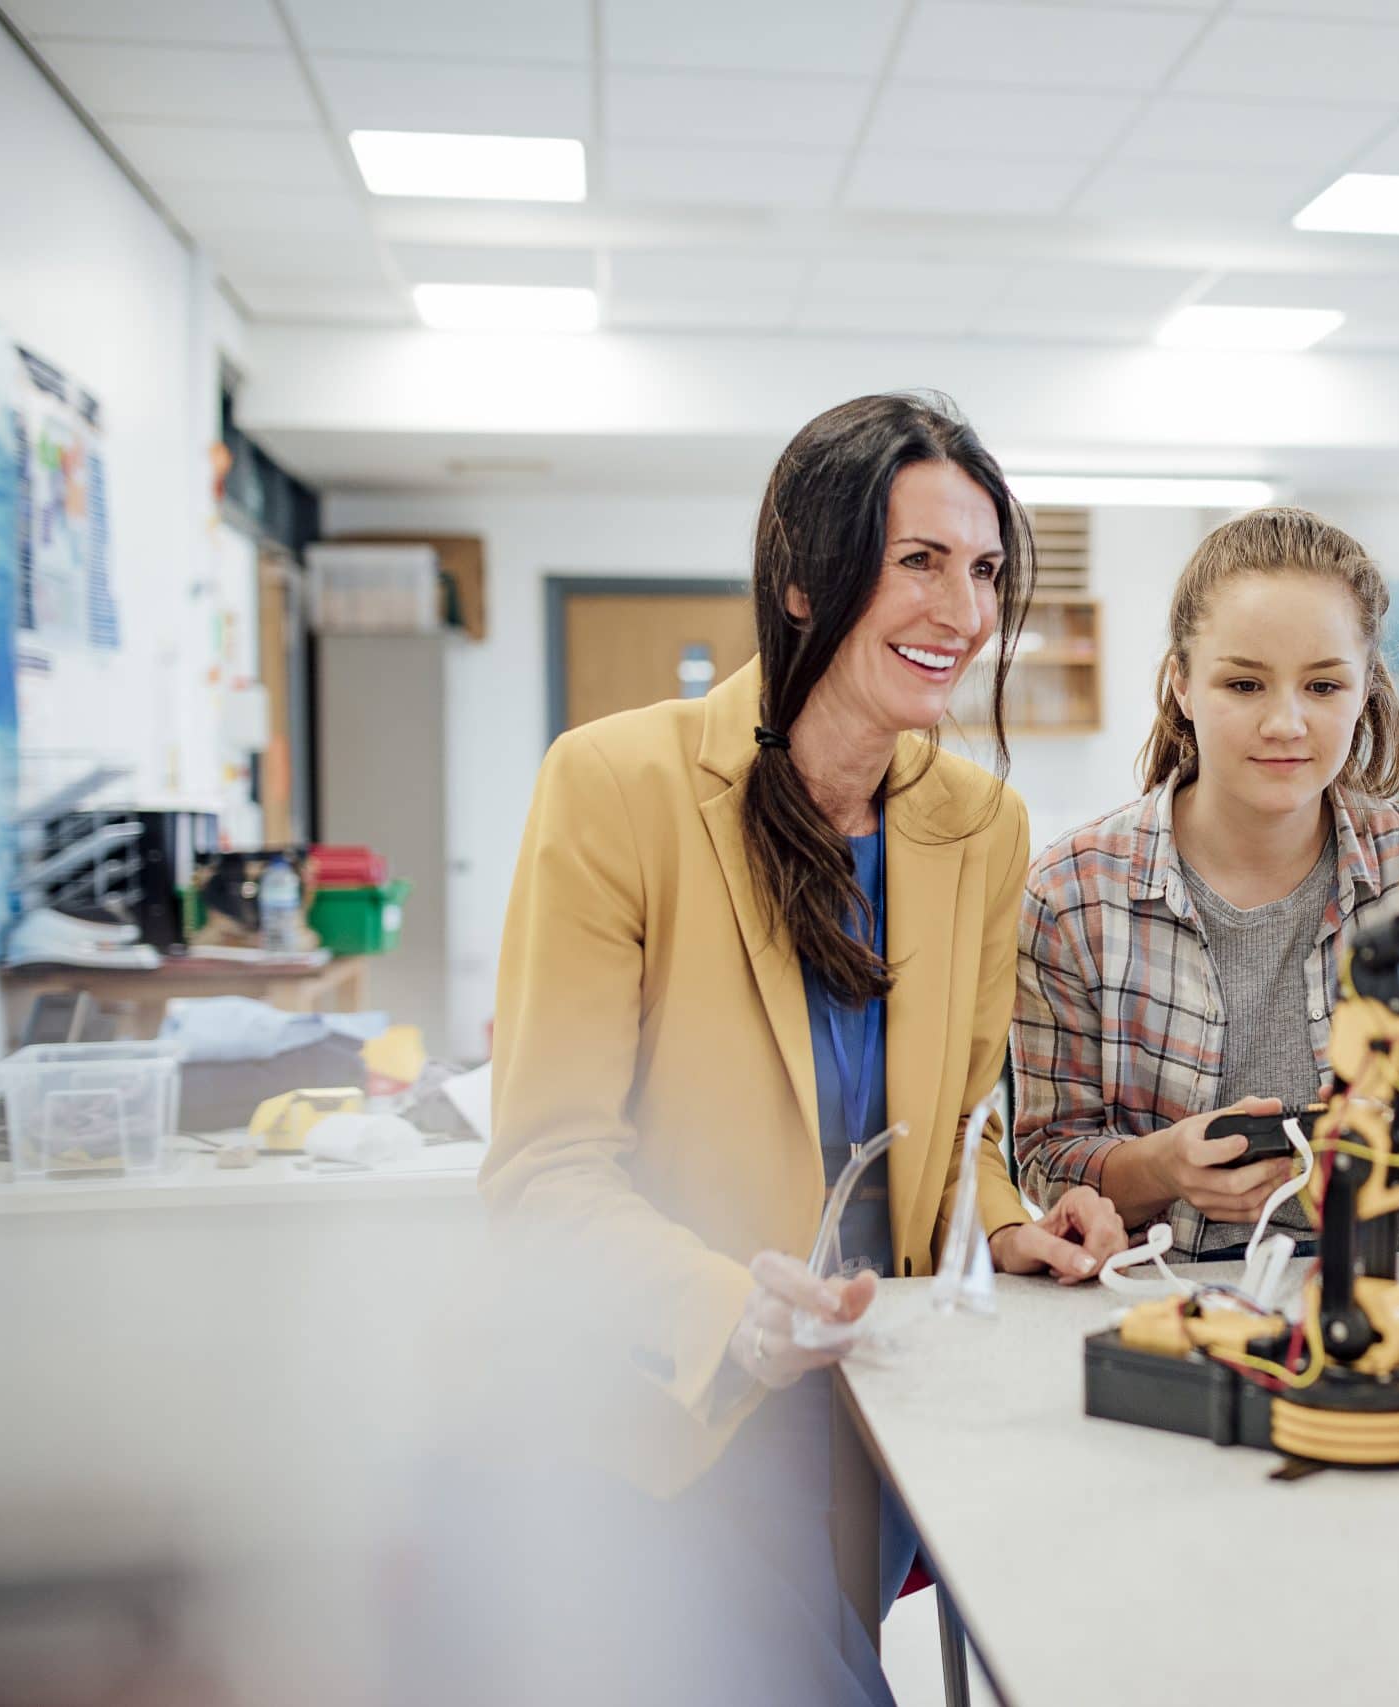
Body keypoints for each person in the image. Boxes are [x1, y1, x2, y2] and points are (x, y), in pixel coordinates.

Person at [478, 392, 1128, 1704]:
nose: (962, 609)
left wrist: (1006, 1220)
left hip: (880, 1401)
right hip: (678, 1408)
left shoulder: (979, 826)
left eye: (987, 568)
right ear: (799, 576)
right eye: (921, 562)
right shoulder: (618, 787)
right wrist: (731, 1311)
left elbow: (958, 1124)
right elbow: (543, 1173)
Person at [1013, 507, 1399, 1258]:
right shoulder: (1074, 890)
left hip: (1367, 1300)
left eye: (1324, 686)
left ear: (1366, 690)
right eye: (1244, 683)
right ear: (1183, 685)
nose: (1286, 722)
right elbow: (1046, 1159)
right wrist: (1166, 1164)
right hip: (1152, 1303)